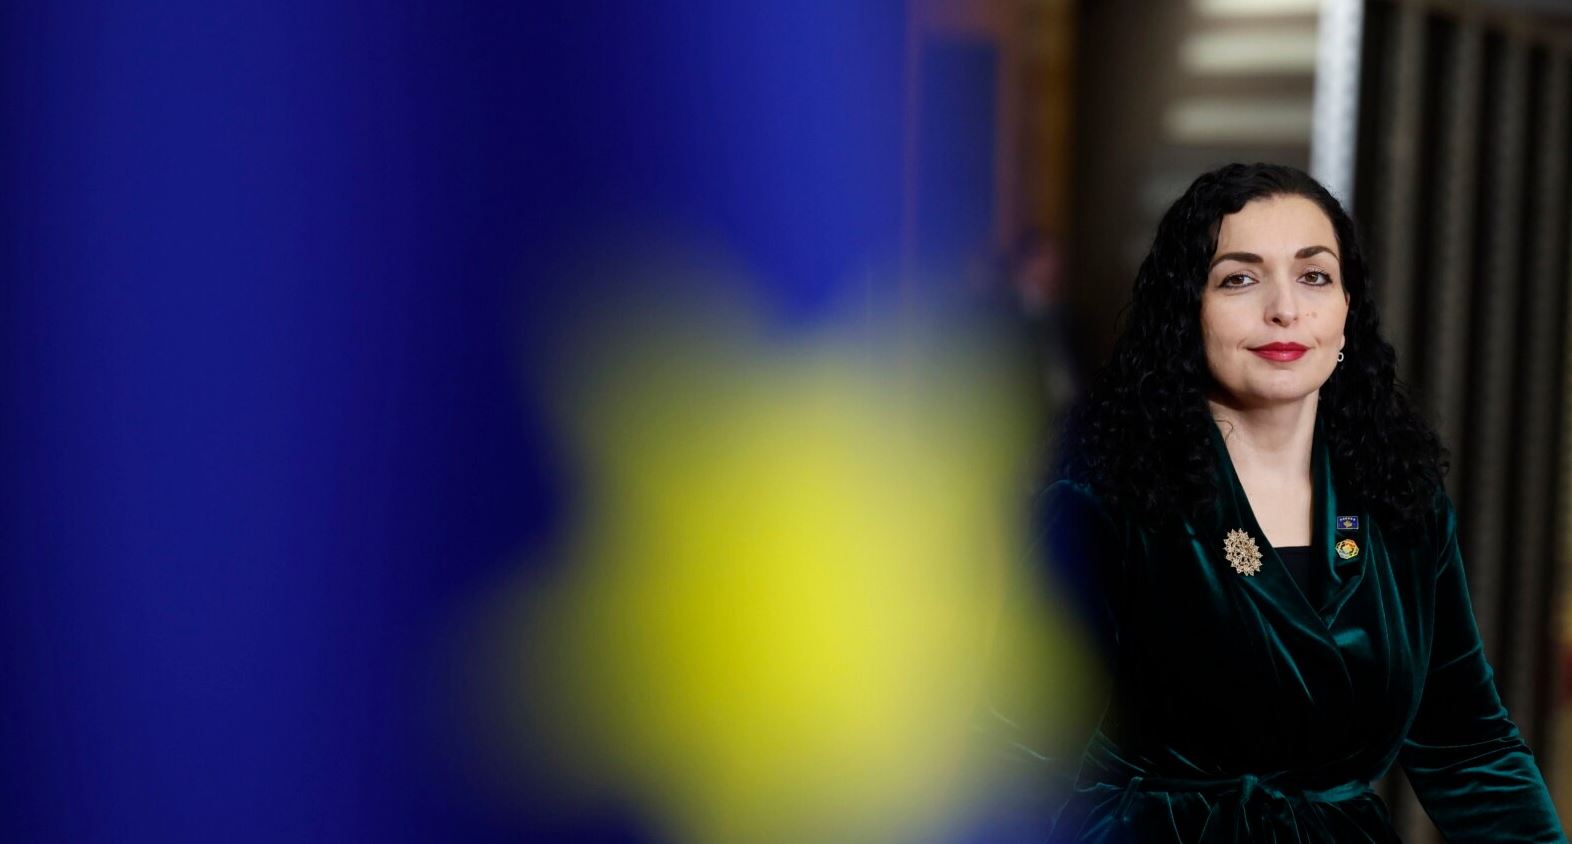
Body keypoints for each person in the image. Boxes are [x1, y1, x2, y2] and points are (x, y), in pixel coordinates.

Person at [987, 163, 1567, 842]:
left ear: (1348, 310)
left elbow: (1469, 747)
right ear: (1187, 312)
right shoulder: (1102, 502)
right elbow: (1014, 766)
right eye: (1239, 279)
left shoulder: (1401, 505)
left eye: (1314, 275)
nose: (1285, 309)